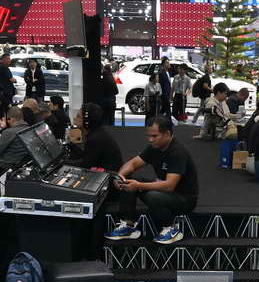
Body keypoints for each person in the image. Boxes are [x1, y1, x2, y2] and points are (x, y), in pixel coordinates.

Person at [104, 115, 197, 245]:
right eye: (149, 136)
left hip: (184, 198)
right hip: (166, 190)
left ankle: (171, 229)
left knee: (153, 196)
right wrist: (120, 176)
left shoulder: (177, 152)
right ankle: (128, 225)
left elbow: (170, 186)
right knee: (127, 180)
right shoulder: (155, 147)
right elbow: (133, 164)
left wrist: (139, 185)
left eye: (154, 136)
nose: (150, 139)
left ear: (167, 134)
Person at [78, 102, 123, 172]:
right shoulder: (98, 132)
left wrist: (64, 162)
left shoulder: (95, 139)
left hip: (109, 176)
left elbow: (85, 165)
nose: (75, 118)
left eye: (78, 116)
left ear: (87, 122)